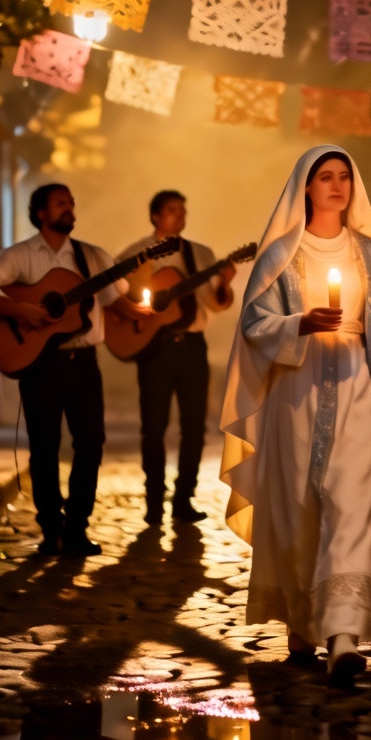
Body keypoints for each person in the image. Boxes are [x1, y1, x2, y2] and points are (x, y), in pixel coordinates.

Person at [220, 145, 371, 686]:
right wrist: (298, 323)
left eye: (344, 177)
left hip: (358, 391)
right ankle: (302, 621)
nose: (336, 186)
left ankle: (344, 636)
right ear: (306, 186)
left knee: (352, 507)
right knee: (299, 508)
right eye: (325, 177)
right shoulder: (280, 255)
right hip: (295, 394)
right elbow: (255, 323)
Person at [0, 184, 149, 557]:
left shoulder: (92, 257)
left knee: (91, 443)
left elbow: (117, 302)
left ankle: (76, 527)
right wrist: (20, 310)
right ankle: (51, 530)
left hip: (83, 364)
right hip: (41, 364)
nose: (70, 207)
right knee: (44, 448)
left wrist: (144, 311)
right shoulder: (19, 256)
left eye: (72, 202)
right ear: (41, 213)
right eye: (61, 203)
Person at [118, 191, 236, 525]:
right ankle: (153, 501)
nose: (179, 216)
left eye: (183, 211)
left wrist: (225, 283)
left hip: (193, 348)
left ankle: (184, 498)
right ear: (155, 216)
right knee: (153, 427)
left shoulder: (200, 254)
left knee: (195, 427)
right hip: (155, 347)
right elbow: (112, 293)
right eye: (172, 211)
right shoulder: (136, 254)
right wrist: (134, 313)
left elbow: (216, 303)